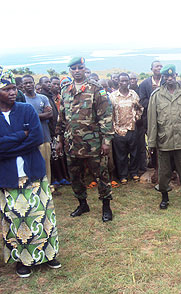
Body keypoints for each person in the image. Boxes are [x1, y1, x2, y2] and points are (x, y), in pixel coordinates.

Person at [0, 68, 61, 278]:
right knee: (16, 219)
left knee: (42, 214)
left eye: (12, 88)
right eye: (6, 89)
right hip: (8, 177)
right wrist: (20, 136)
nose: (11, 92)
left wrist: (7, 144)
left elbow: (35, 138)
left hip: (34, 172)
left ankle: (49, 254)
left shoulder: (26, 110)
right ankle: (22, 261)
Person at [56, 57, 114, 222]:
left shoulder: (96, 89)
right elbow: (62, 118)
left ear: (85, 69)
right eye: (73, 68)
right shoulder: (65, 90)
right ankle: (82, 203)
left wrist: (106, 141)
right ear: (70, 71)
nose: (76, 71)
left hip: (93, 143)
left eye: (79, 67)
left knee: (101, 175)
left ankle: (106, 207)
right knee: (75, 175)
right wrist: (59, 140)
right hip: (71, 143)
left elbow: (106, 116)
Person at [148, 64, 181, 210]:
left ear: (176, 75)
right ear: (163, 77)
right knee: (164, 171)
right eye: (167, 76)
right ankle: (164, 196)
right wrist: (151, 143)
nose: (170, 79)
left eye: (172, 76)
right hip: (163, 139)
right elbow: (152, 121)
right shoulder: (156, 95)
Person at [110, 73, 143, 184]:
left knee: (134, 153)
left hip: (132, 128)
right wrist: (114, 128)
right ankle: (123, 175)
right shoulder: (113, 96)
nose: (124, 83)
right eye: (122, 81)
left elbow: (139, 108)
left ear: (129, 82)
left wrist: (136, 118)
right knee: (121, 155)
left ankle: (134, 172)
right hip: (118, 130)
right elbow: (110, 114)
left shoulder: (134, 94)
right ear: (118, 82)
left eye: (126, 81)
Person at [22, 75, 53, 186]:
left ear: (34, 83)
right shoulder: (22, 101)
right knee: (33, 164)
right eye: (26, 83)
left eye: (30, 82)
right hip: (30, 139)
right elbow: (24, 118)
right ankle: (36, 187)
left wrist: (33, 116)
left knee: (46, 164)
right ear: (22, 86)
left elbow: (50, 114)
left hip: (44, 136)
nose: (28, 85)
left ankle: (48, 187)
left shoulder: (43, 98)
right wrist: (41, 115)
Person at [139, 60, 163, 179]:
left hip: (166, 121)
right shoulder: (144, 84)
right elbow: (143, 101)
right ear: (151, 69)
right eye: (156, 66)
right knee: (153, 144)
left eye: (160, 66)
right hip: (150, 120)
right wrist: (157, 101)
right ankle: (155, 168)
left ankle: (168, 169)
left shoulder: (166, 81)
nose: (159, 68)